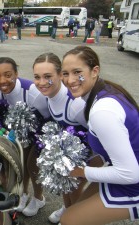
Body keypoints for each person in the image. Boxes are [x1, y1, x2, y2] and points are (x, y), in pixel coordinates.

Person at [60, 45, 139, 225]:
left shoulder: (102, 112)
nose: (70, 80)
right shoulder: (103, 91)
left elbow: (130, 174)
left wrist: (81, 172)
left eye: (77, 72)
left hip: (134, 183)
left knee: (69, 220)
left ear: (95, 71)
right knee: (76, 209)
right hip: (125, 171)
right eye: (65, 73)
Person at [32, 53, 89, 224]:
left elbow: (98, 134)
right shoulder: (48, 96)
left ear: (60, 75)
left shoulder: (75, 104)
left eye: (48, 77)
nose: (41, 82)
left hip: (90, 151)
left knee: (75, 187)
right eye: (37, 77)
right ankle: (67, 208)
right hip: (68, 153)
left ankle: (74, 216)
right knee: (65, 181)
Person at [0, 57, 50, 217]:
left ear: (16, 74)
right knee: (20, 163)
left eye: (7, 74)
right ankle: (22, 193)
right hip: (20, 132)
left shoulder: (32, 92)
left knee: (33, 165)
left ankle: (39, 198)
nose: (2, 80)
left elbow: (48, 117)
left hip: (41, 130)